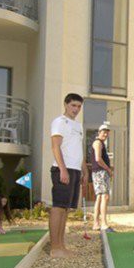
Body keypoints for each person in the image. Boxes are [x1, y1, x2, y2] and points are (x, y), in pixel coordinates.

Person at [49, 93, 85, 258]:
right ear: (65, 104)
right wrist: (63, 169)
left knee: (65, 209)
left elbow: (78, 148)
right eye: (73, 105)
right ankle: (55, 248)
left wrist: (84, 169)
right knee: (58, 207)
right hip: (63, 169)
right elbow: (55, 146)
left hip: (75, 170)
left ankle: (61, 246)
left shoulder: (78, 125)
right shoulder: (59, 122)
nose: (76, 109)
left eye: (79, 106)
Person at [89, 124, 114, 231]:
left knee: (100, 197)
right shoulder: (98, 143)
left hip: (99, 172)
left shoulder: (100, 143)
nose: (105, 134)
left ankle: (96, 224)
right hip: (100, 172)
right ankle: (103, 223)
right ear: (99, 132)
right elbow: (98, 159)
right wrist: (108, 169)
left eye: (107, 132)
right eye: (104, 132)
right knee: (104, 196)